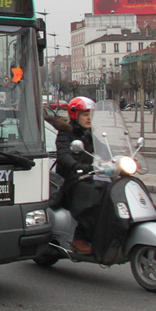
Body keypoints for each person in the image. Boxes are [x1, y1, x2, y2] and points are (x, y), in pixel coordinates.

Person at [49, 97, 106, 255]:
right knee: (89, 197)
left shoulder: (90, 134)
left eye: (90, 114)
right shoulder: (65, 134)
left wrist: (119, 158)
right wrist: (75, 165)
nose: (88, 118)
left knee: (108, 190)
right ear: (75, 115)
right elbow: (63, 155)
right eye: (84, 114)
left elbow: (103, 149)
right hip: (69, 180)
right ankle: (79, 239)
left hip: (87, 176)